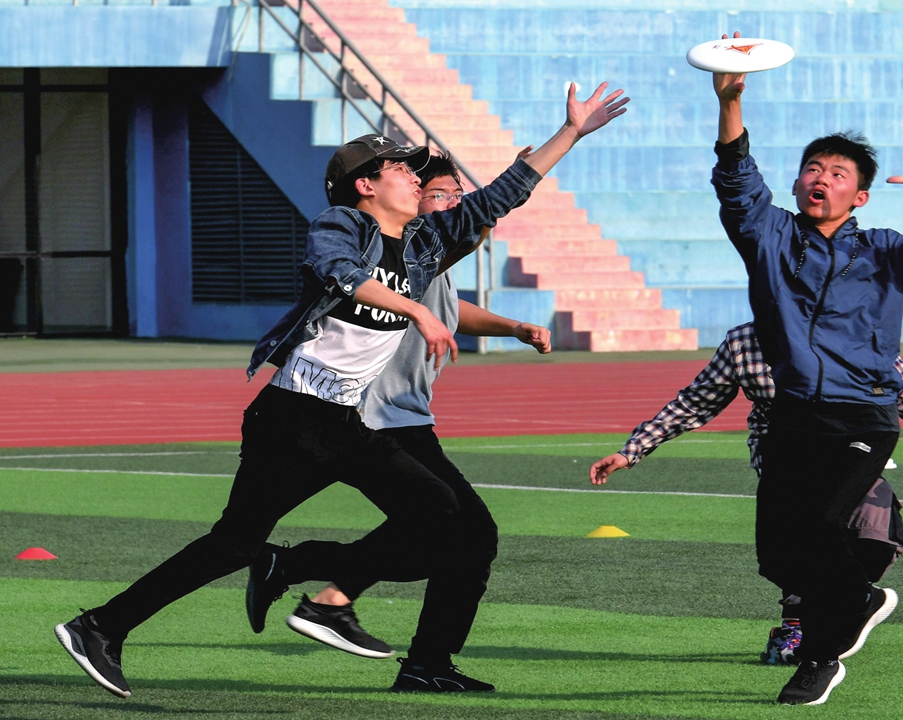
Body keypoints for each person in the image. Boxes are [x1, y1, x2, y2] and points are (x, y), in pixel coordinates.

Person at [54, 81, 628, 699]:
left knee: (442, 513)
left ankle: (327, 597)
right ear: (366, 185)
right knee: (232, 544)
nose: (414, 177)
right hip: (292, 420)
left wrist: (571, 132)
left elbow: (501, 197)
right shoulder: (341, 224)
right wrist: (419, 309)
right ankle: (100, 627)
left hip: (347, 425)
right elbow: (341, 275)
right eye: (400, 169)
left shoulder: (424, 243)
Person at [710, 35, 903, 705]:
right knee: (779, 555)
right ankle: (852, 609)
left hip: (862, 416)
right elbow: (737, 186)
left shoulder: (885, 253)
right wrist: (730, 103)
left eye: (836, 172)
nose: (820, 178)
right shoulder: (771, 238)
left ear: (859, 196)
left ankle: (822, 651)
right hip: (794, 418)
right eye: (812, 167)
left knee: (820, 525)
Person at [243, 152, 552, 694]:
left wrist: (511, 327)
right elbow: (424, 273)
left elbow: (450, 309)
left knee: (450, 536)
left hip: (397, 415)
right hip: (373, 418)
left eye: (458, 195)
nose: (453, 204)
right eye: (440, 195)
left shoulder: (428, 256)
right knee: (465, 533)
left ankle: (294, 572)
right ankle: (346, 609)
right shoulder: (404, 249)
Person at [589, 321, 903, 665]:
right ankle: (798, 624)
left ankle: (844, 607)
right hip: (783, 459)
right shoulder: (743, 343)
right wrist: (631, 450)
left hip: (853, 452)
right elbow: (695, 401)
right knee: (797, 542)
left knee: (875, 534)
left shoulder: (850, 333)